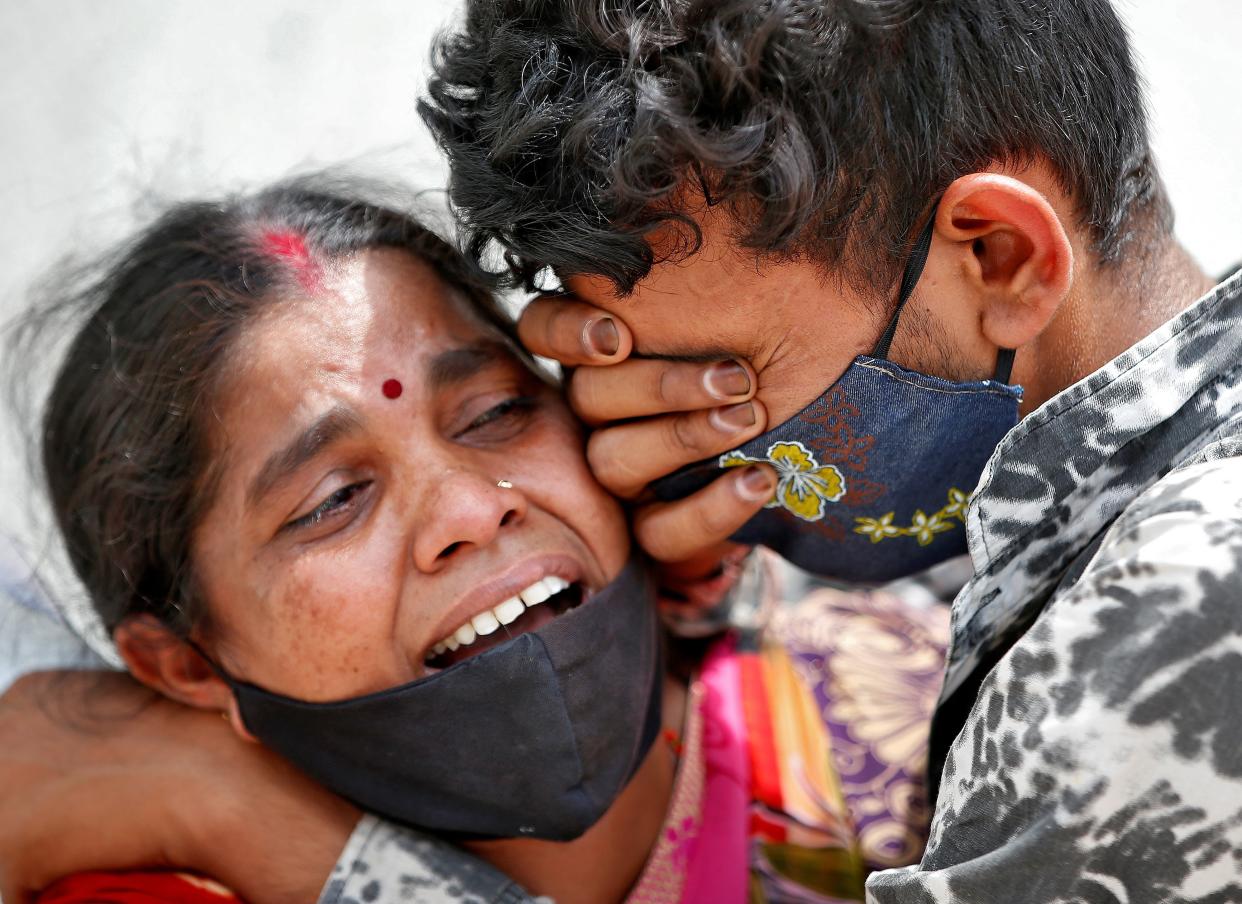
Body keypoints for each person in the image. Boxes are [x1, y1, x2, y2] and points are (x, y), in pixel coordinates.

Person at [411, 0, 1242, 900]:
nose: (673, 441)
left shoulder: (1164, 614)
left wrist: (298, 844)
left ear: (1001, 255)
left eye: (721, 374)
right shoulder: (1071, 521)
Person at [0, 183, 947, 903]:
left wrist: (239, 816)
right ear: (185, 667)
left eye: (497, 412)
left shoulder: (915, 714)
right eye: (333, 500)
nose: (468, 510)